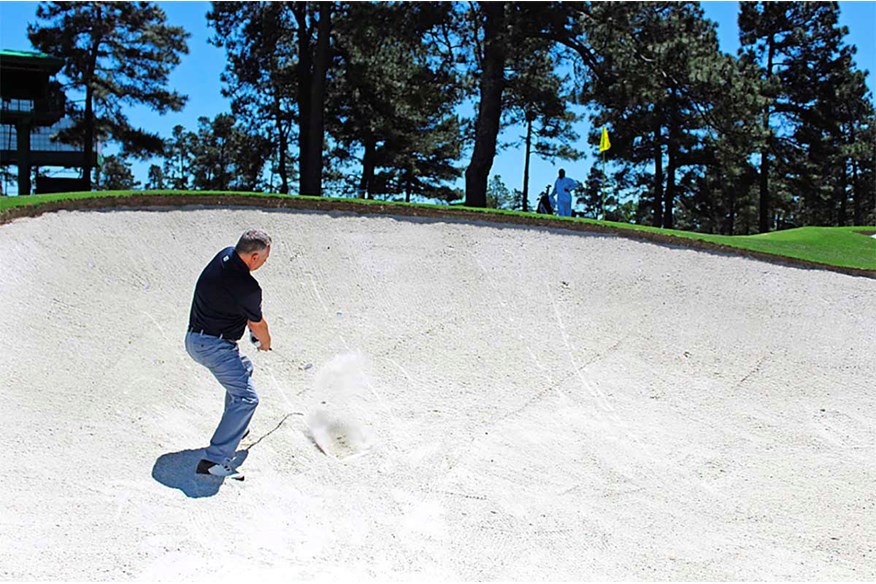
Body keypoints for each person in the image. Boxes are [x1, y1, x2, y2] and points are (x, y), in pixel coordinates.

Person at [185, 229, 272, 479]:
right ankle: (214, 461)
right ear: (254, 256)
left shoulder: (224, 255)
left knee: (244, 368)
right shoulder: (247, 286)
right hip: (214, 346)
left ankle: (236, 428)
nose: (264, 263)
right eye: (264, 259)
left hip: (195, 339)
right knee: (247, 398)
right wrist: (265, 342)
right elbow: (258, 325)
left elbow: (232, 303)